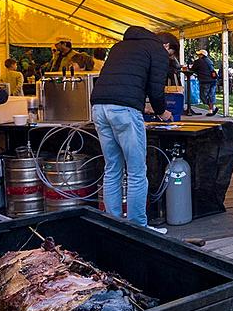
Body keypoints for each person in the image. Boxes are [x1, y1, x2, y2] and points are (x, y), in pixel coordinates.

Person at [90, 26, 171, 233]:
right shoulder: (158, 50)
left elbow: (121, 81)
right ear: (168, 46)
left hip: (99, 107)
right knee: (136, 172)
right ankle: (138, 228)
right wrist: (162, 113)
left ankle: (113, 224)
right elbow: (156, 89)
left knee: (112, 168)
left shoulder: (119, 46)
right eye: (171, 54)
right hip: (124, 111)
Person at [191, 49, 219, 116]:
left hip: (205, 81)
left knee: (203, 96)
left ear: (202, 55)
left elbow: (192, 70)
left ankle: (211, 109)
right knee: (211, 95)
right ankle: (212, 109)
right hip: (213, 80)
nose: (198, 55)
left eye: (199, 54)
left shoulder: (198, 61)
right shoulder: (209, 61)